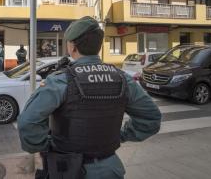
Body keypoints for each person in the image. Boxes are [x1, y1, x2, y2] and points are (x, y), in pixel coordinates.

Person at [17, 16, 161, 179]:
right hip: (110, 168)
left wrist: (45, 145)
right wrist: (122, 136)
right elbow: (151, 119)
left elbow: (27, 123)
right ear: (98, 46)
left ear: (72, 46)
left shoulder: (60, 81)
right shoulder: (123, 79)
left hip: (68, 170)